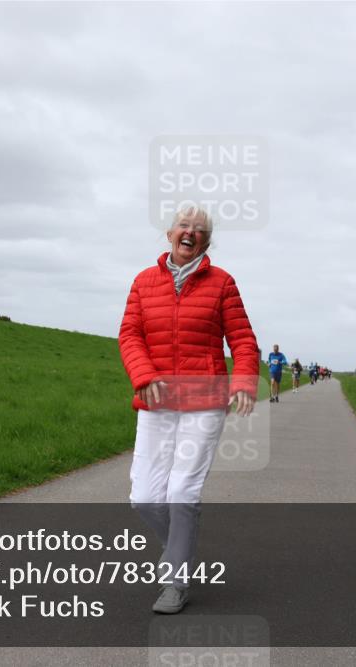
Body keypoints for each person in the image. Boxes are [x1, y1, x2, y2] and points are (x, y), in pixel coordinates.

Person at [118, 205, 258, 614]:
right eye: (184, 225)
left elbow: (243, 340)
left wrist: (244, 383)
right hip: (157, 399)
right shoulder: (144, 282)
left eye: (199, 230)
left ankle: (174, 582)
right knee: (144, 498)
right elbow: (130, 335)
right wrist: (143, 375)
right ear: (169, 234)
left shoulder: (222, 283)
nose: (190, 233)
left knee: (181, 493)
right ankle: (177, 548)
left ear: (207, 242)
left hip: (204, 401)